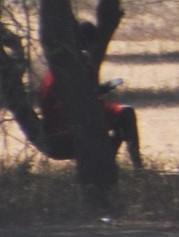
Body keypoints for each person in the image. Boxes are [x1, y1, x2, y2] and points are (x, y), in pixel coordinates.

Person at [38, 22, 142, 170]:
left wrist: (101, 89)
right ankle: (136, 167)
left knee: (120, 120)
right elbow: (81, 99)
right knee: (126, 114)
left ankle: (109, 163)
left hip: (62, 124)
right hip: (71, 125)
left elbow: (80, 94)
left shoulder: (60, 62)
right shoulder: (78, 63)